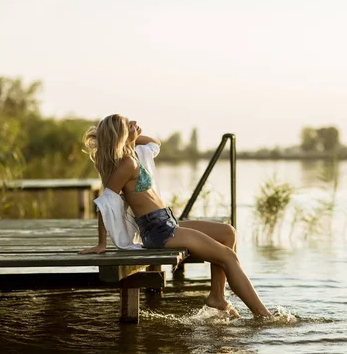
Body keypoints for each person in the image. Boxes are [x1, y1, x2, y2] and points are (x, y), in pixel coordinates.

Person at [79, 114, 271, 318]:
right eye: (130, 124)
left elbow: (155, 143)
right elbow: (105, 203)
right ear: (122, 135)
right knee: (228, 257)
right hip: (158, 231)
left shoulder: (136, 154)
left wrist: (131, 138)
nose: (135, 123)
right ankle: (263, 316)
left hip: (167, 221)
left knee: (227, 233)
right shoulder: (127, 164)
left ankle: (217, 297)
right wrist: (101, 244)